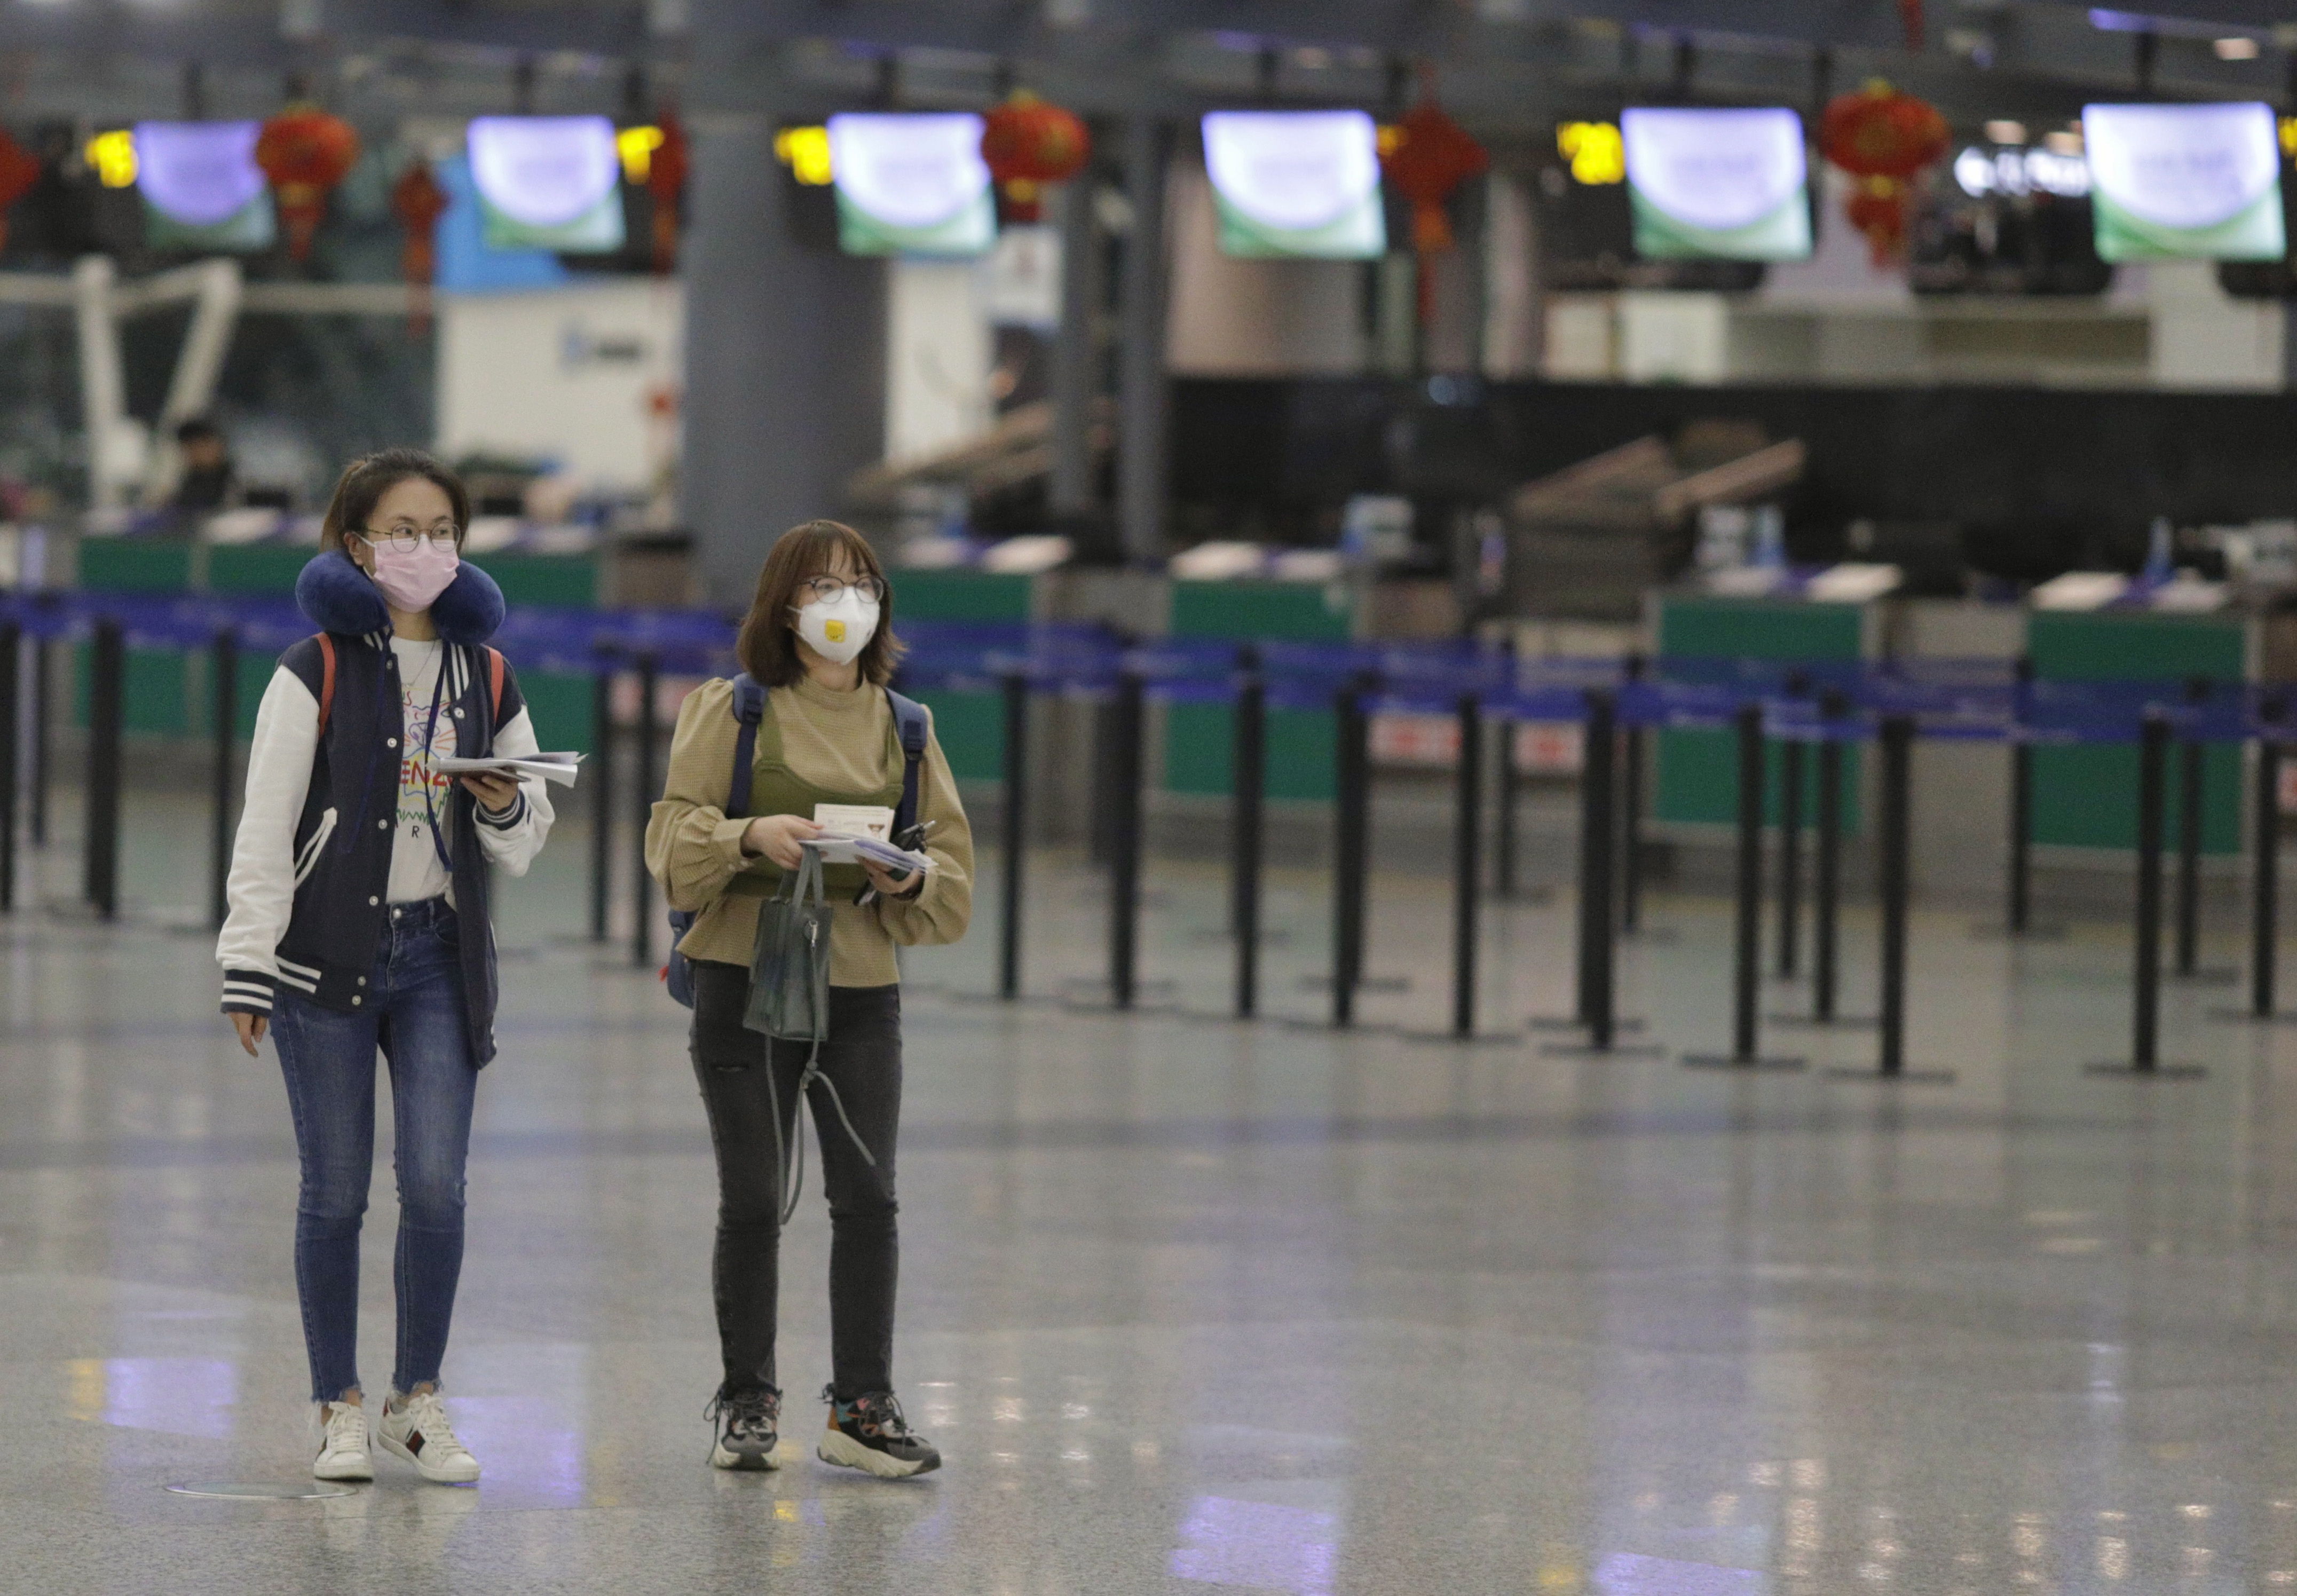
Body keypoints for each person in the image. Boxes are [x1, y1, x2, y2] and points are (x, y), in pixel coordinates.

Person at [216, 448, 555, 1484]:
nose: (425, 548)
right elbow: (267, 823)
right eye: (403, 531)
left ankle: (418, 1399)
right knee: (334, 1195)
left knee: (438, 1188)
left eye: (443, 530)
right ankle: (339, 1403)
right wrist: (245, 960)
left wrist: (503, 800)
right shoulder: (313, 667)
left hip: (438, 957)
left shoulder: (483, 670)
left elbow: (526, 829)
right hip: (323, 957)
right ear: (358, 544)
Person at [647, 519, 973, 1479]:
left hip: (861, 985)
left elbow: (951, 866)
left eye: (862, 584)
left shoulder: (906, 726)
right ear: (784, 605)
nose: (846, 603)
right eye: (825, 586)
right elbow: (672, 841)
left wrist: (908, 877)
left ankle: (861, 1406)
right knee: (753, 1197)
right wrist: (751, 837)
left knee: (867, 1195)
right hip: (744, 978)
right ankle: (747, 1400)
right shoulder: (734, 710)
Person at [170, 417, 236, 512]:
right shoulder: (189, 486)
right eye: (191, 446)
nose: (198, 452)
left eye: (203, 443)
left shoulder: (237, 481)